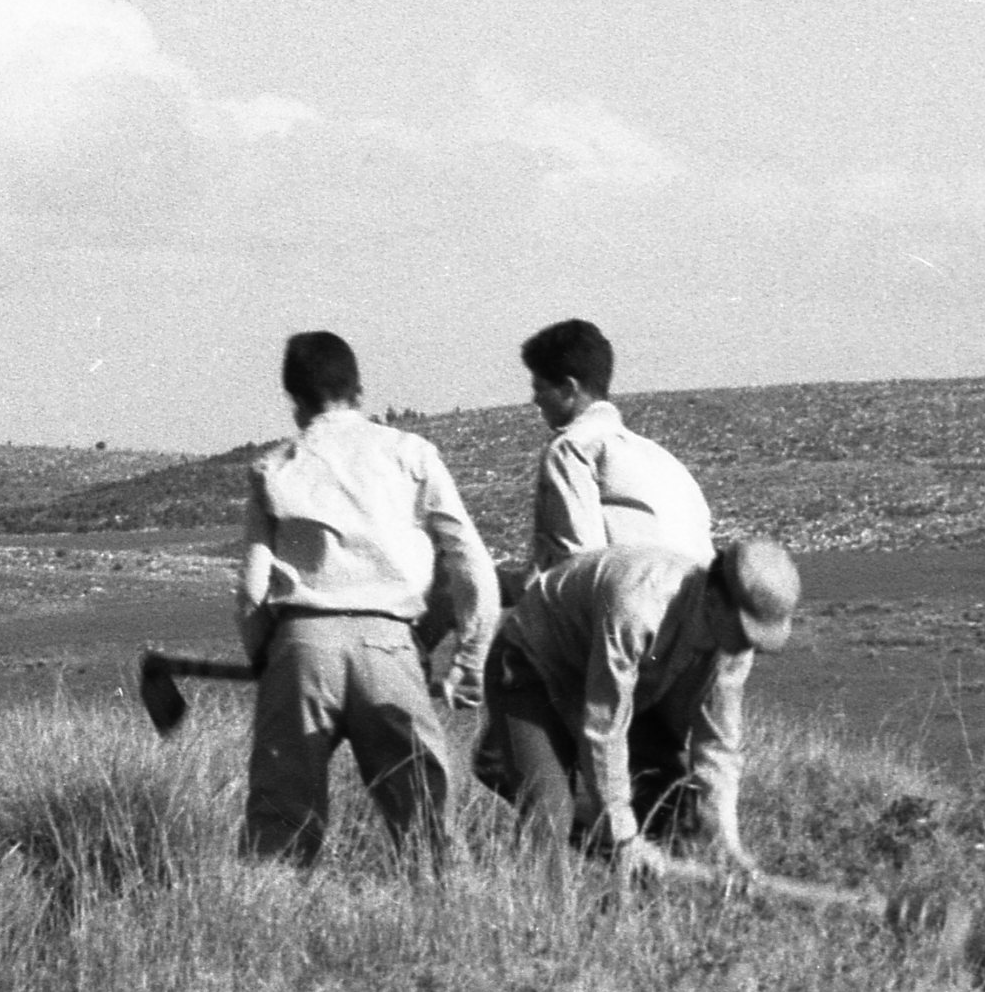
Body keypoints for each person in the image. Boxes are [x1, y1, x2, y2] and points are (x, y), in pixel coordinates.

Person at [235, 331, 497, 866]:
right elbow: (470, 561)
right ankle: (450, 924)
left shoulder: (274, 467)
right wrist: (470, 661)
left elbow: (251, 592)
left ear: (293, 399)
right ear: (359, 388)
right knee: (426, 816)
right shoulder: (411, 454)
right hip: (388, 645)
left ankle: (264, 925)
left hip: (301, 644)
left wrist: (268, 659)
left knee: (279, 822)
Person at [475, 533, 802, 879]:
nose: (746, 646)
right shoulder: (639, 605)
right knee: (550, 810)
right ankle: (545, 918)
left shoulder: (733, 649)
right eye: (744, 631)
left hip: (608, 684)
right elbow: (604, 726)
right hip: (534, 665)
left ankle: (631, 901)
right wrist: (624, 836)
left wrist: (727, 843)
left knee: (672, 808)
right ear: (715, 598)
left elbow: (718, 746)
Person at [515, 315, 715, 585]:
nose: (535, 399)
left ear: (569, 388)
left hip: (629, 606)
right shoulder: (665, 460)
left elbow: (577, 562)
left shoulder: (572, 448)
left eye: (540, 388)